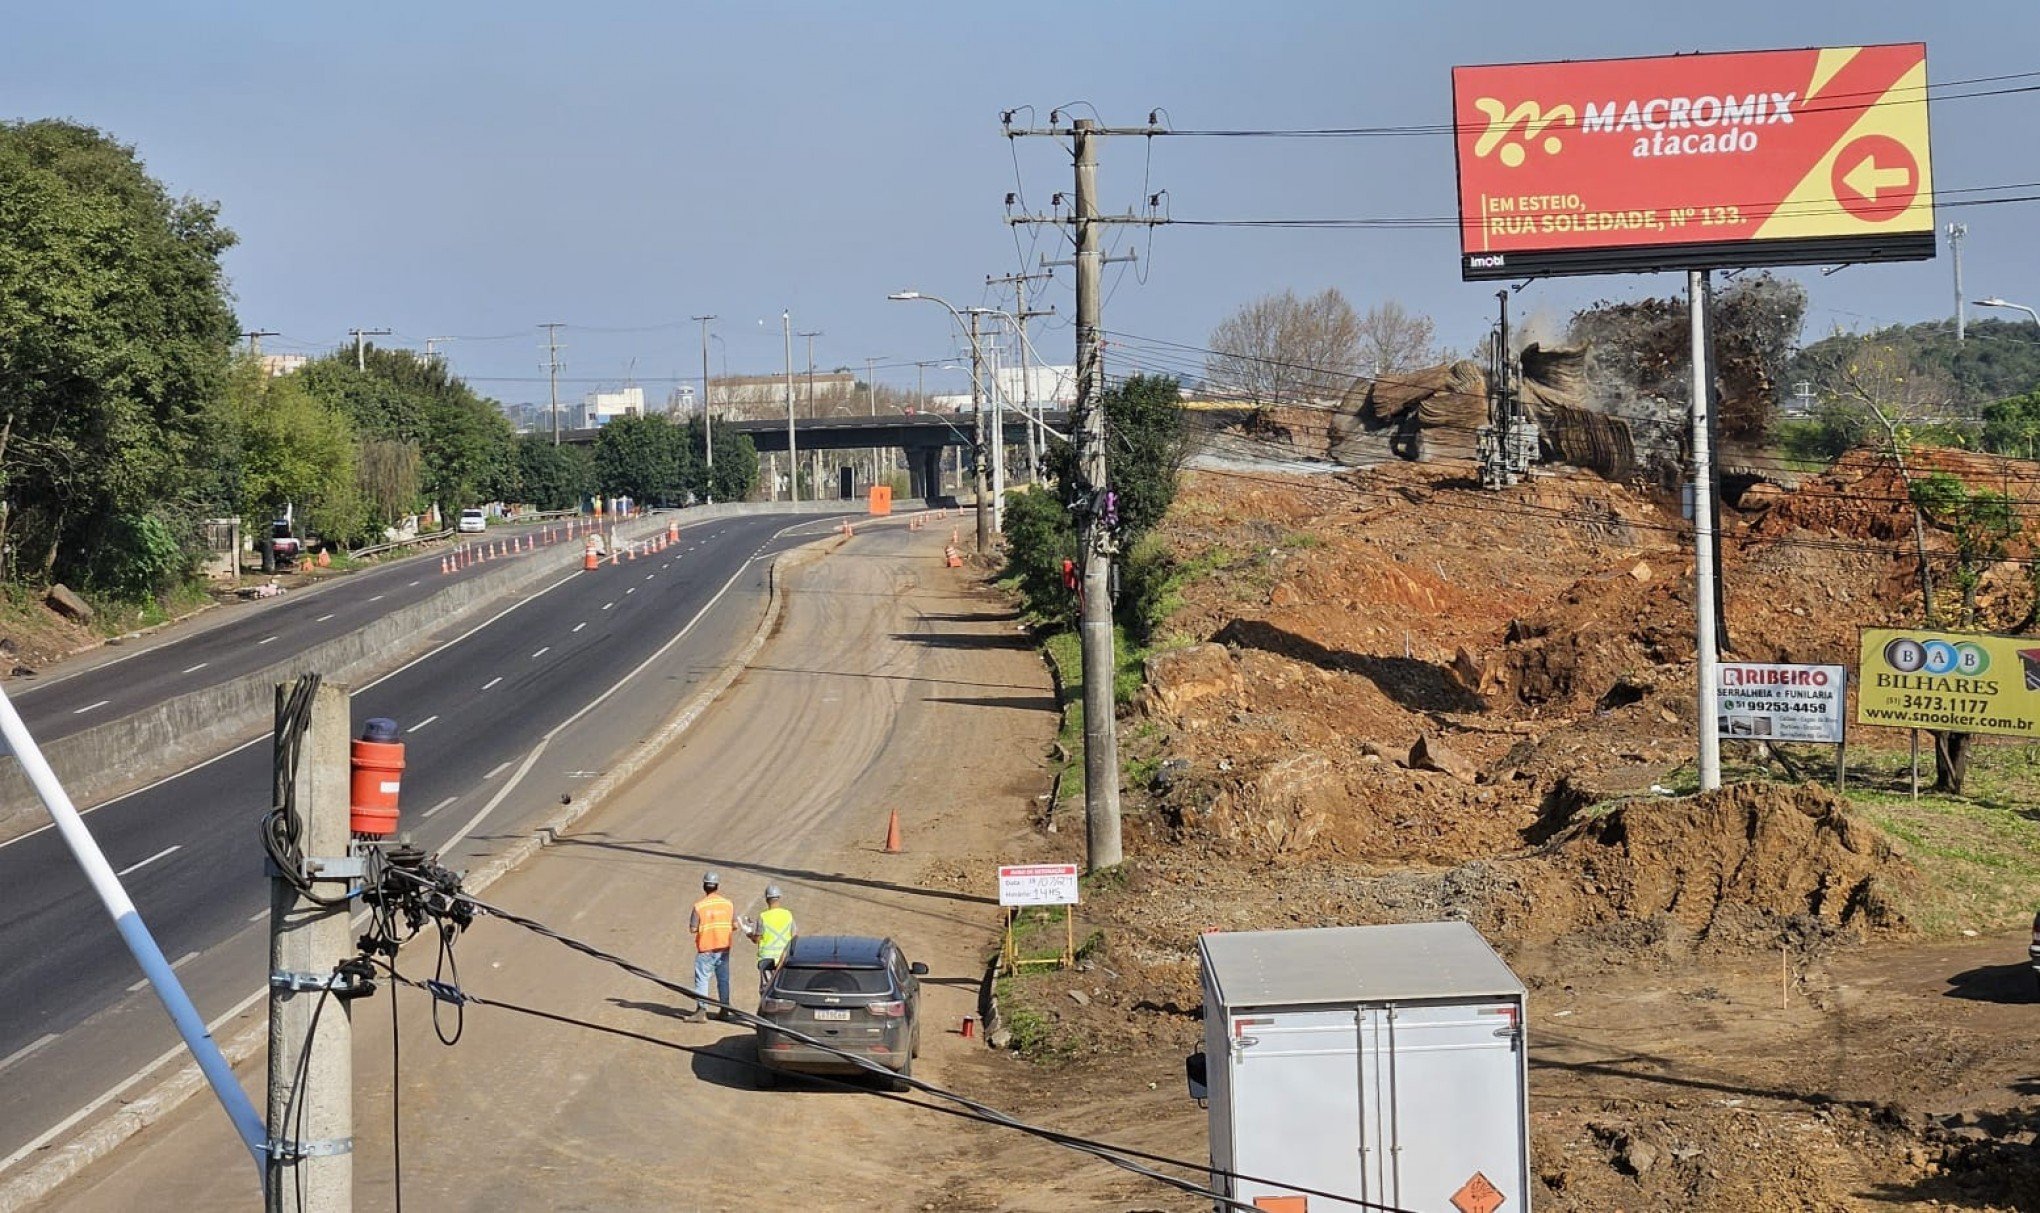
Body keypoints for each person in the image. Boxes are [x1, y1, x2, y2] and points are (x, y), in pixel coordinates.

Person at [686, 871, 735, 1021]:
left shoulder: (699, 906)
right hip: (723, 948)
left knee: (702, 979)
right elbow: (734, 925)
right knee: (723, 979)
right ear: (717, 886)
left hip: (706, 949)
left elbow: (693, 928)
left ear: (704, 886)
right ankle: (725, 1010)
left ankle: (702, 1011)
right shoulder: (728, 904)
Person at [746, 885, 797, 995]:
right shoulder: (787, 914)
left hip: (767, 959)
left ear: (766, 899)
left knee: (766, 989)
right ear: (779, 898)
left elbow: (757, 939)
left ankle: (766, 1009)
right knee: (782, 988)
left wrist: (750, 935)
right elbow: (794, 936)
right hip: (784, 958)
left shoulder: (763, 916)